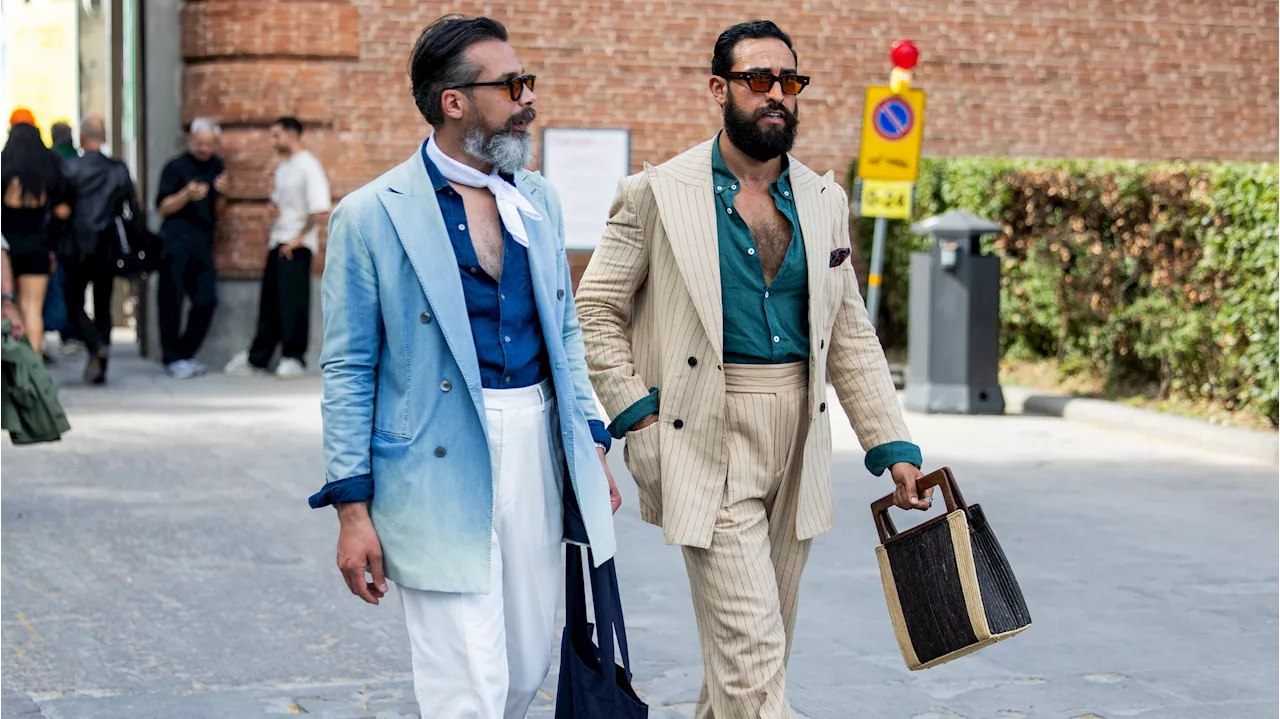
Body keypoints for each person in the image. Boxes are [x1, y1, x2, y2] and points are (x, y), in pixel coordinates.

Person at [576, 21, 936, 718]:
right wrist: (638, 419)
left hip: (797, 436)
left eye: (789, 83)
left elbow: (849, 331)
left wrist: (892, 447)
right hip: (699, 432)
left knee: (752, 661)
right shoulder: (657, 192)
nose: (777, 95)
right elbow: (594, 312)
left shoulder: (824, 201)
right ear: (719, 88)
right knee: (752, 657)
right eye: (758, 80)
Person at [308, 15, 621, 718]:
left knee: (521, 668)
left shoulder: (537, 198)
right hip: (435, 460)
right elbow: (349, 366)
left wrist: (589, 446)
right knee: (466, 686)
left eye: (526, 82)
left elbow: (565, 331)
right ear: (455, 101)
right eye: (512, 85)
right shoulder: (369, 215)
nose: (527, 99)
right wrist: (351, 510)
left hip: (538, 444)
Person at [223, 116, 329, 379]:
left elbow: (320, 209)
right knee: (269, 303)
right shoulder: (284, 167)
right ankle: (258, 359)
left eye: (276, 136)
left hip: (296, 246)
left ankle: (294, 358)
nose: (273, 141)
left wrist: (298, 238)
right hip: (277, 242)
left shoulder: (309, 166)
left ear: (291, 135)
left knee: (294, 304)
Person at [61, 116, 141, 385]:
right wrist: (138, 243)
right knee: (103, 303)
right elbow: (133, 209)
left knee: (73, 301)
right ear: (103, 138)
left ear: (82, 137)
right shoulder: (117, 169)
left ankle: (95, 347)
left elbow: (62, 208)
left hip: (77, 244)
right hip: (107, 243)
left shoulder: (71, 168)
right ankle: (100, 357)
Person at [155, 118, 228, 379]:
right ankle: (171, 356)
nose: (204, 149)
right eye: (200, 143)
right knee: (171, 300)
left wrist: (223, 194)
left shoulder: (217, 167)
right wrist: (186, 194)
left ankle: (186, 353)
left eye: (209, 144)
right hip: (175, 241)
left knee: (207, 299)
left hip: (203, 241)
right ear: (190, 141)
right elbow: (162, 208)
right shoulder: (175, 167)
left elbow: (220, 212)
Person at [0, 119, 72, 356]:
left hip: (8, 248)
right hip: (37, 246)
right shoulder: (47, 167)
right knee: (33, 308)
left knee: (13, 307)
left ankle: (17, 364)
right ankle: (35, 362)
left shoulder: (4, 166)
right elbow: (63, 209)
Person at [44, 121, 82, 356]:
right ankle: (70, 333)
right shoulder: (77, 159)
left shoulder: (50, 161)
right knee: (70, 288)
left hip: (53, 237)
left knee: (55, 287)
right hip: (77, 237)